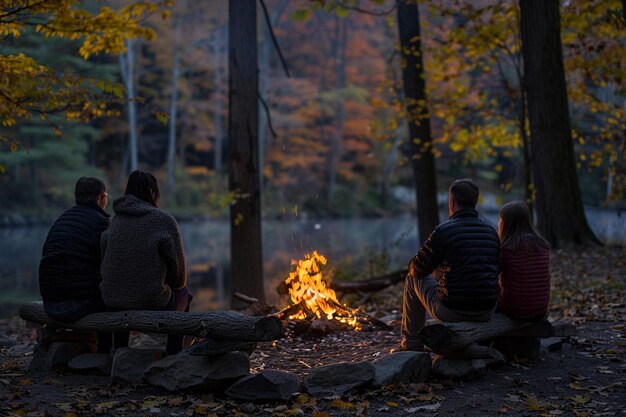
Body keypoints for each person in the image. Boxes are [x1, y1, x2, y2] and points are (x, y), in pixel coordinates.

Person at [399, 178, 500, 351]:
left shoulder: (444, 231)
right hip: (486, 310)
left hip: (454, 310)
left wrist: (435, 269)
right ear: (474, 202)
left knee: (412, 277)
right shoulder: (491, 231)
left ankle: (411, 343)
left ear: (452, 201)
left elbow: (417, 269)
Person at [100, 170, 191, 354]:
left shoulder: (114, 222)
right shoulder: (163, 220)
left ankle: (119, 351)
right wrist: (167, 282)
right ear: (152, 191)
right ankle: (173, 354)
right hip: (151, 299)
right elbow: (179, 277)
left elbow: (106, 262)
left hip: (111, 299)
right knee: (184, 294)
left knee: (122, 292)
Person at [39, 176, 112, 353]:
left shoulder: (62, 219)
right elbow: (108, 266)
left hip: (50, 299)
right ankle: (105, 353)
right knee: (112, 300)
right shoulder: (100, 223)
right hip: (73, 304)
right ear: (100, 197)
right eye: (106, 195)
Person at [497, 201, 550, 320]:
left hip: (514, 309)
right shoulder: (542, 244)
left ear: (507, 223)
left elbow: (492, 275)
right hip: (540, 308)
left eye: (501, 219)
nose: (499, 222)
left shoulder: (506, 248)